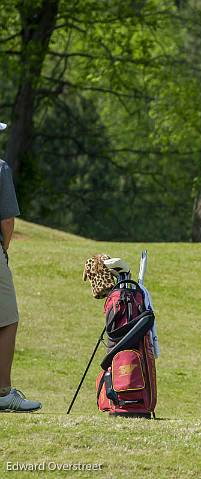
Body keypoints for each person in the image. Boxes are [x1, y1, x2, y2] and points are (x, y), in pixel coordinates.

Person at [0, 121, 41, 412]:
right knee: (8, 319)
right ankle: (3, 391)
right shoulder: (0, 168)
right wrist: (3, 249)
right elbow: (6, 221)